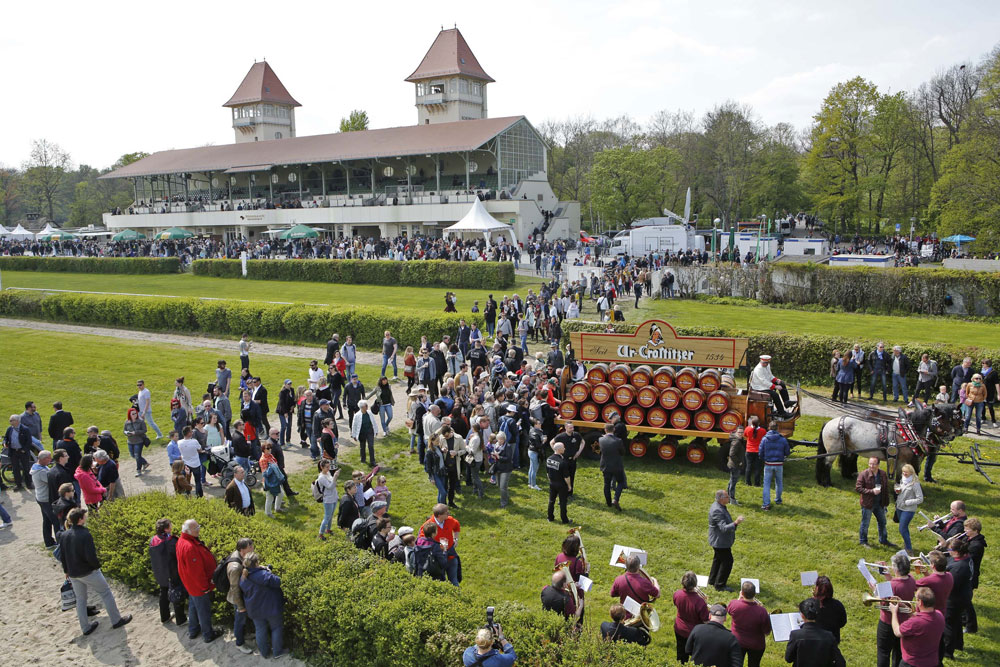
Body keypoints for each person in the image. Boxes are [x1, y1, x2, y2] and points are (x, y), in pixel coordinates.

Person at [58, 507, 133, 635]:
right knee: (105, 593)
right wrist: (96, 567)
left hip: (73, 573)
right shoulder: (85, 534)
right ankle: (116, 620)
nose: (86, 518)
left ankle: (85, 628)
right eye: (84, 517)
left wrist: (66, 571)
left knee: (81, 600)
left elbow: (63, 556)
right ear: (81, 520)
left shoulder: (64, 535)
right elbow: (90, 556)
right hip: (88, 571)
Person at [176, 519, 221, 643]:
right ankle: (208, 634)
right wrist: (205, 587)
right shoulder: (190, 547)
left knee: (193, 607)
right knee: (203, 610)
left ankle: (193, 630)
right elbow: (196, 572)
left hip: (190, 585)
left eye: (198, 526)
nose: (199, 529)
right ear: (188, 531)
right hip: (198, 587)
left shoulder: (182, 540)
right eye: (196, 528)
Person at [239, 552, 288, 659]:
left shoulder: (243, 577)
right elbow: (277, 581)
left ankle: (265, 653)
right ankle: (277, 652)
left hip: (255, 610)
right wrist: (268, 571)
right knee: (276, 628)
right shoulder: (264, 575)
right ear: (256, 562)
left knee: (260, 630)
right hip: (271, 608)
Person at [874, 553, 917, 667]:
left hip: (887, 623)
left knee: (883, 652)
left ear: (896, 569)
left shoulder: (891, 585)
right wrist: (887, 575)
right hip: (904, 622)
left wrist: (875, 590)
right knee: (898, 652)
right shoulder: (912, 579)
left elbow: (882, 602)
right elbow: (898, 583)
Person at [890, 587, 944, 667]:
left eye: (916, 599)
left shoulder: (915, 623)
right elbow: (921, 617)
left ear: (921, 602)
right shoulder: (940, 615)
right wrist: (903, 605)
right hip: (932, 662)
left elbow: (897, 632)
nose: (915, 601)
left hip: (912, 663)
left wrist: (894, 612)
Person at [785, 598, 845, 667]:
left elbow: (788, 659)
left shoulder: (795, 635)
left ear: (802, 615)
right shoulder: (829, 636)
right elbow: (841, 663)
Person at [149, 518, 187, 626]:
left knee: (164, 593)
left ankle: (164, 616)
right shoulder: (170, 541)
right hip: (172, 573)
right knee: (176, 595)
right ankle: (181, 620)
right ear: (166, 529)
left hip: (160, 573)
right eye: (170, 525)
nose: (172, 526)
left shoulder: (153, 540)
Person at [223, 537, 256, 654]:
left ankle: (246, 634)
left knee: (243, 619)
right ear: (242, 550)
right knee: (239, 620)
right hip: (238, 599)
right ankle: (240, 643)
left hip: (243, 596)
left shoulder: (241, 556)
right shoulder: (235, 567)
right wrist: (241, 606)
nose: (253, 548)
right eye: (250, 547)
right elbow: (235, 588)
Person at [728, 581, 771, 667]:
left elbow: (730, 611)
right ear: (754, 594)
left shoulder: (734, 604)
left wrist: (739, 599)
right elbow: (767, 631)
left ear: (742, 593)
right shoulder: (762, 611)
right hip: (756, 645)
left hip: (737, 641)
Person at [709, 489, 743, 592]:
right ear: (721, 499)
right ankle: (720, 585)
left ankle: (712, 579)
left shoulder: (719, 506)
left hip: (719, 540)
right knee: (727, 561)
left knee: (718, 559)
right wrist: (736, 523)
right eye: (727, 497)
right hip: (720, 542)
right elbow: (723, 528)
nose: (729, 498)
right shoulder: (717, 510)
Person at [943, 540, 973, 660]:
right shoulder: (965, 559)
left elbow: (951, 584)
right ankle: (958, 645)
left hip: (955, 599)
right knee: (956, 622)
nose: (949, 552)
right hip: (963, 596)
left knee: (949, 624)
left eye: (950, 550)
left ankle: (947, 651)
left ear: (957, 552)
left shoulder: (959, 568)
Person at [419, 503, 462, 586]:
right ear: (439, 515)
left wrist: (455, 539)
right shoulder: (428, 525)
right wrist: (436, 548)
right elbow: (422, 542)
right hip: (437, 558)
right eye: (446, 513)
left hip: (450, 553)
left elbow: (457, 527)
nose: (449, 514)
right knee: (441, 580)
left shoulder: (450, 520)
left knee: (454, 580)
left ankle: (457, 597)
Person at [856, 456, 895, 548]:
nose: (871, 466)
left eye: (873, 464)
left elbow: (885, 489)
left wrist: (886, 503)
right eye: (870, 463)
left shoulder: (882, 474)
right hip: (868, 504)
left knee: (882, 522)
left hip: (879, 503)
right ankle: (863, 541)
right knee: (865, 523)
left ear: (878, 465)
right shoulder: (864, 474)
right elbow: (858, 488)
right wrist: (871, 491)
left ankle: (883, 540)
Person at [673, 571, 709, 664]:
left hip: (679, 628)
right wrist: (705, 604)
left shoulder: (677, 594)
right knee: (696, 655)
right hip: (694, 633)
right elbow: (705, 620)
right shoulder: (700, 602)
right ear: (695, 584)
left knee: (681, 653)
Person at [962, 517, 986, 634]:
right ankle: (963, 621)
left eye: (967, 529)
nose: (965, 531)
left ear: (975, 530)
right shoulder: (970, 540)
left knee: (966, 601)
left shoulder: (976, 545)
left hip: (970, 576)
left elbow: (966, 557)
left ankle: (971, 627)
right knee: (962, 600)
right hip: (966, 574)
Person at [759, 420, 789, 510]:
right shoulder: (783, 439)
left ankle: (766, 504)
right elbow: (787, 452)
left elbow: (760, 452)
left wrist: (764, 458)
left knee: (767, 484)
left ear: (769, 428)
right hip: (779, 464)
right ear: (778, 428)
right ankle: (778, 499)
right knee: (779, 482)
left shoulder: (765, 439)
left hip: (768, 463)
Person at [894, 464, 923, 554]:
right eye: (903, 472)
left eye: (906, 472)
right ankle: (906, 545)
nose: (904, 473)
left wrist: (907, 502)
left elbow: (920, 499)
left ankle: (909, 549)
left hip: (908, 509)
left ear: (911, 472)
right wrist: (897, 491)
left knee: (902, 528)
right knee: (904, 528)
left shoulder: (915, 483)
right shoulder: (902, 480)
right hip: (899, 507)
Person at [598, 422, 627, 510]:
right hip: (616, 465)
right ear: (614, 430)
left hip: (605, 465)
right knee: (621, 482)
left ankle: (608, 503)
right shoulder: (618, 441)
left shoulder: (600, 440)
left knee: (606, 485)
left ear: (605, 430)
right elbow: (623, 452)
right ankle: (615, 499)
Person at [812, 576, 847, 644]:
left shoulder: (811, 605)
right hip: (833, 640)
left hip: (815, 642)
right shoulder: (838, 605)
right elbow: (842, 622)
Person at [3, 414, 35, 490]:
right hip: (13, 452)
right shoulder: (10, 429)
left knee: (26, 468)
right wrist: (5, 442)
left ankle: (28, 484)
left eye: (11, 420)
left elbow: (29, 441)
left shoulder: (25, 429)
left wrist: (24, 449)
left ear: (17, 421)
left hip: (22, 452)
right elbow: (6, 438)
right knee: (15, 469)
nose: (10, 422)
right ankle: (18, 484)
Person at [544, 441, 573, 524]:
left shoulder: (549, 459)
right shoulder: (562, 462)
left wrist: (551, 481)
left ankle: (550, 517)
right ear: (560, 449)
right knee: (563, 502)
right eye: (563, 447)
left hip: (552, 483)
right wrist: (569, 486)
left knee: (551, 501)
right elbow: (566, 477)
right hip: (561, 485)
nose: (565, 448)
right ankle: (564, 520)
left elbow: (547, 473)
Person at [260, 442, 286, 517]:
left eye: (270, 447)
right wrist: (272, 468)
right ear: (263, 450)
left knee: (281, 494)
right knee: (270, 497)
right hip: (269, 482)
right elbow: (265, 473)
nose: (270, 449)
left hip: (275, 479)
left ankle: (277, 508)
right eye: (267, 448)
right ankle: (268, 513)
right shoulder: (263, 459)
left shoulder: (270, 456)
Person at [123, 407, 150, 477]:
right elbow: (124, 430)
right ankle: (145, 463)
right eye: (133, 414)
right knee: (133, 455)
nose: (135, 415)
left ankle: (138, 470)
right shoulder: (127, 422)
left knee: (137, 456)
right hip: (130, 441)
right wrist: (127, 433)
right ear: (129, 415)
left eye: (135, 413)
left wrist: (135, 432)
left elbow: (144, 430)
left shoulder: (140, 421)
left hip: (139, 441)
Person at [743, 416, 764, 487]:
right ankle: (757, 483)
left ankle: (748, 482)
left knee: (748, 466)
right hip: (758, 451)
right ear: (759, 423)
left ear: (751, 422)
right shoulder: (763, 431)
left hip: (749, 450)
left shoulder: (747, 429)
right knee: (757, 468)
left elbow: (745, 435)